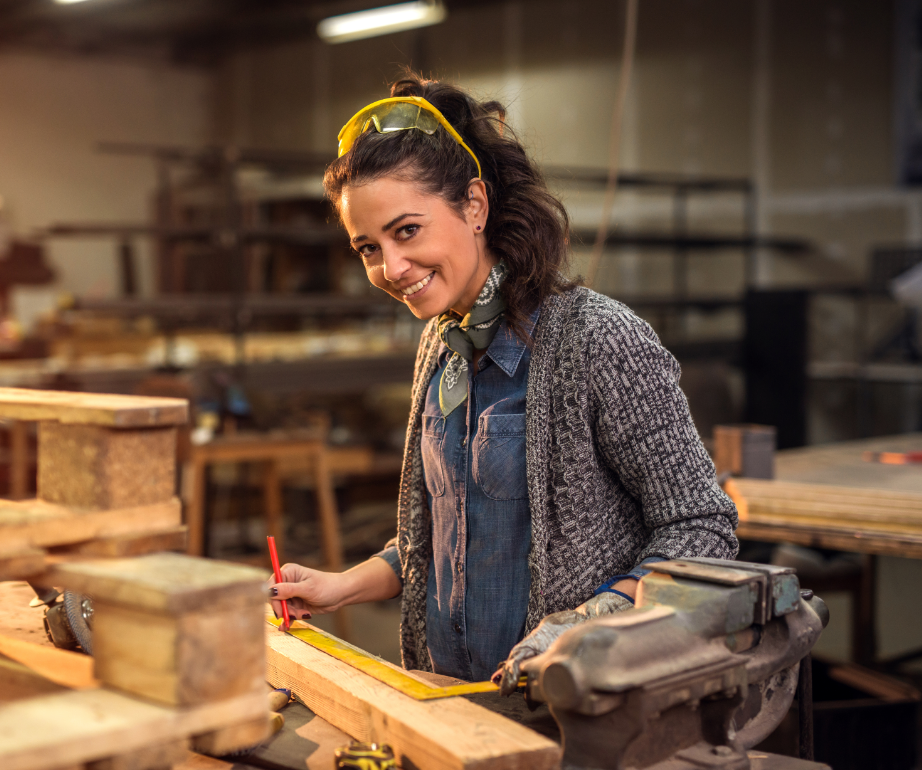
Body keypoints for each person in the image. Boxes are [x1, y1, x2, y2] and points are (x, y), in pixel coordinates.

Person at [268, 75, 738, 694]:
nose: (390, 268)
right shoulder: (441, 345)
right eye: (367, 247)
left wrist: (590, 622)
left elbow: (703, 528)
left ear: (475, 205)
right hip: (450, 704)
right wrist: (342, 586)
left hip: (570, 713)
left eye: (407, 231)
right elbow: (440, 536)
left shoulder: (598, 340)